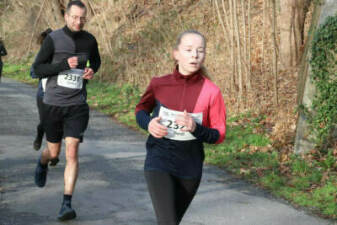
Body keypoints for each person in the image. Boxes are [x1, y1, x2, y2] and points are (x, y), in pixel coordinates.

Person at [135, 30, 226, 225]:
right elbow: (141, 109)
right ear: (176, 53)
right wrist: (148, 123)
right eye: (189, 50)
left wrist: (196, 128)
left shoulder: (211, 91)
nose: (195, 55)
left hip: (190, 167)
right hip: (159, 160)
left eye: (200, 51)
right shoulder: (159, 84)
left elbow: (218, 135)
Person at [32, 0, 101, 221]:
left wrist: (91, 70)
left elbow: (97, 62)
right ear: (66, 16)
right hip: (53, 104)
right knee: (54, 152)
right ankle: (43, 162)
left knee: (72, 152)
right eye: (74, 17)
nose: (78, 21)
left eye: (82, 18)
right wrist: (62, 65)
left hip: (77, 105)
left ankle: (66, 204)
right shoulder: (53, 39)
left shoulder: (90, 40)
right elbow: (36, 69)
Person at [31, 28, 53, 151]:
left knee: (58, 123)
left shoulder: (63, 54)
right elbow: (33, 73)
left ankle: (53, 151)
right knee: (45, 121)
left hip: (61, 93)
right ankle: (40, 135)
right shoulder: (41, 55)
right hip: (43, 93)